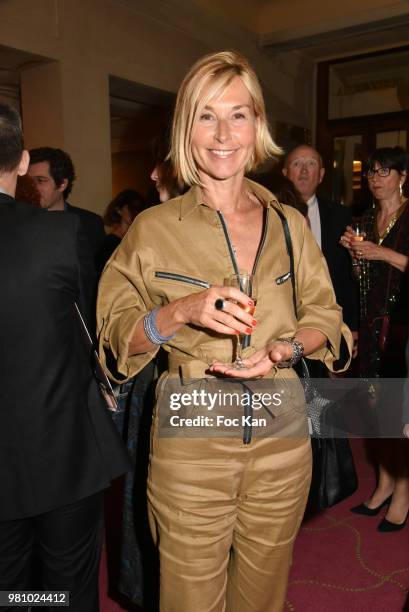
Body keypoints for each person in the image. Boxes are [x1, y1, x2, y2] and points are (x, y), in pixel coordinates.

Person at [97, 51, 351, 611]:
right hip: (192, 430)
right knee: (188, 599)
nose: (222, 134)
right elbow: (116, 338)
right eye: (206, 116)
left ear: (257, 125)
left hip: (282, 427)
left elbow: (328, 320)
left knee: (263, 596)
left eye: (238, 115)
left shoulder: (288, 224)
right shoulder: (153, 228)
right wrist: (181, 311)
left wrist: (285, 347)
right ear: (186, 128)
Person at [0, 103, 129, 611]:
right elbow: (90, 327)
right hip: (60, 447)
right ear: (22, 159)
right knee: (64, 587)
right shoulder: (56, 234)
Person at [341, 146, 409, 532]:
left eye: (385, 171)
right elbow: (360, 280)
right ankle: (384, 484)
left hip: (403, 328)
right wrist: (356, 255)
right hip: (372, 326)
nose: (376, 178)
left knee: (400, 415)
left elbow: (398, 263)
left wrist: (379, 252)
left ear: (403, 176)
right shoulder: (365, 217)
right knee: (375, 409)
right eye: (371, 173)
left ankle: (403, 491)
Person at [283, 145, 359, 354]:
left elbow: (346, 277)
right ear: (285, 173)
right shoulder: (267, 214)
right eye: (297, 164)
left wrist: (352, 325)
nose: (304, 170)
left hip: (328, 324)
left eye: (311, 164)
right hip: (282, 326)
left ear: (321, 175)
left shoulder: (341, 216)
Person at [28, 146, 105, 261]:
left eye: (40, 180)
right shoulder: (21, 223)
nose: (32, 188)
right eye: (29, 181)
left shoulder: (90, 224)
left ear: (62, 184)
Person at [97, 188, 145, 274]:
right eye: (131, 208)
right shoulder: (109, 243)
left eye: (138, 209)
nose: (135, 212)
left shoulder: (140, 239)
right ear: (119, 210)